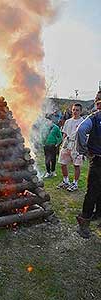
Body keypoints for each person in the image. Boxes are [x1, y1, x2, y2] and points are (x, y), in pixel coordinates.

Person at [76, 91, 101, 238]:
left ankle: (85, 221)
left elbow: (80, 131)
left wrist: (84, 150)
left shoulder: (94, 117)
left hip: (97, 159)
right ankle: (96, 216)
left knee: (92, 190)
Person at [57, 103, 83, 191]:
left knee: (76, 165)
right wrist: (62, 144)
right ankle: (65, 181)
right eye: (74, 110)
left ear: (81, 111)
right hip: (66, 144)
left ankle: (75, 183)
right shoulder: (68, 121)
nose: (75, 112)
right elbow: (64, 133)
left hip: (76, 145)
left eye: (77, 110)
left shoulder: (82, 122)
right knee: (63, 163)